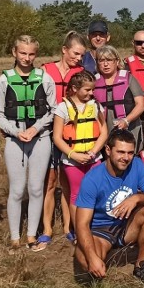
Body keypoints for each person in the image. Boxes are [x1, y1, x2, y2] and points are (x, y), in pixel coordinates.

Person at [0, 35, 57, 252]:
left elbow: (53, 110)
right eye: (23, 53)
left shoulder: (45, 78)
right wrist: (16, 131)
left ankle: (31, 235)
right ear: (14, 52)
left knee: (36, 188)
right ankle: (14, 237)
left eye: (31, 54)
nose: (27, 58)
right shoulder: (4, 80)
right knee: (17, 189)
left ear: (35, 55)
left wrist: (35, 128)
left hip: (40, 138)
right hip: (15, 139)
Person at [73, 130, 144, 284]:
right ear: (108, 150)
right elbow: (81, 224)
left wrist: (136, 198)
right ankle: (115, 254)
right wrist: (92, 257)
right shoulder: (92, 179)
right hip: (101, 231)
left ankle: (141, 266)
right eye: (120, 152)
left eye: (129, 152)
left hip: (126, 225)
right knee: (85, 262)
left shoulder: (137, 165)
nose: (126, 157)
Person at [40, 31, 86, 245]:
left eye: (81, 56)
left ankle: (70, 227)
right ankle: (47, 228)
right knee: (49, 182)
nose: (78, 59)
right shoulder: (45, 71)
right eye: (75, 54)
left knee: (68, 182)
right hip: (47, 133)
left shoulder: (81, 74)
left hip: (72, 134)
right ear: (64, 50)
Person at [52, 71, 109, 235]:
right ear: (75, 88)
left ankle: (95, 229)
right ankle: (80, 232)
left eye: (93, 90)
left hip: (94, 158)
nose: (91, 93)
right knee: (76, 195)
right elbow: (57, 138)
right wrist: (73, 155)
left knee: (96, 193)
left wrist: (93, 151)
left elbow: (104, 132)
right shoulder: (62, 108)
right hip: (72, 161)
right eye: (87, 90)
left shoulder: (96, 106)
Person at [93, 45, 144, 150]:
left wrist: (127, 120)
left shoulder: (129, 78)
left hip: (129, 126)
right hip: (104, 130)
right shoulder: (93, 82)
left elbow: (141, 104)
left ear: (117, 61)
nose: (105, 64)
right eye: (101, 60)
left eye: (109, 60)